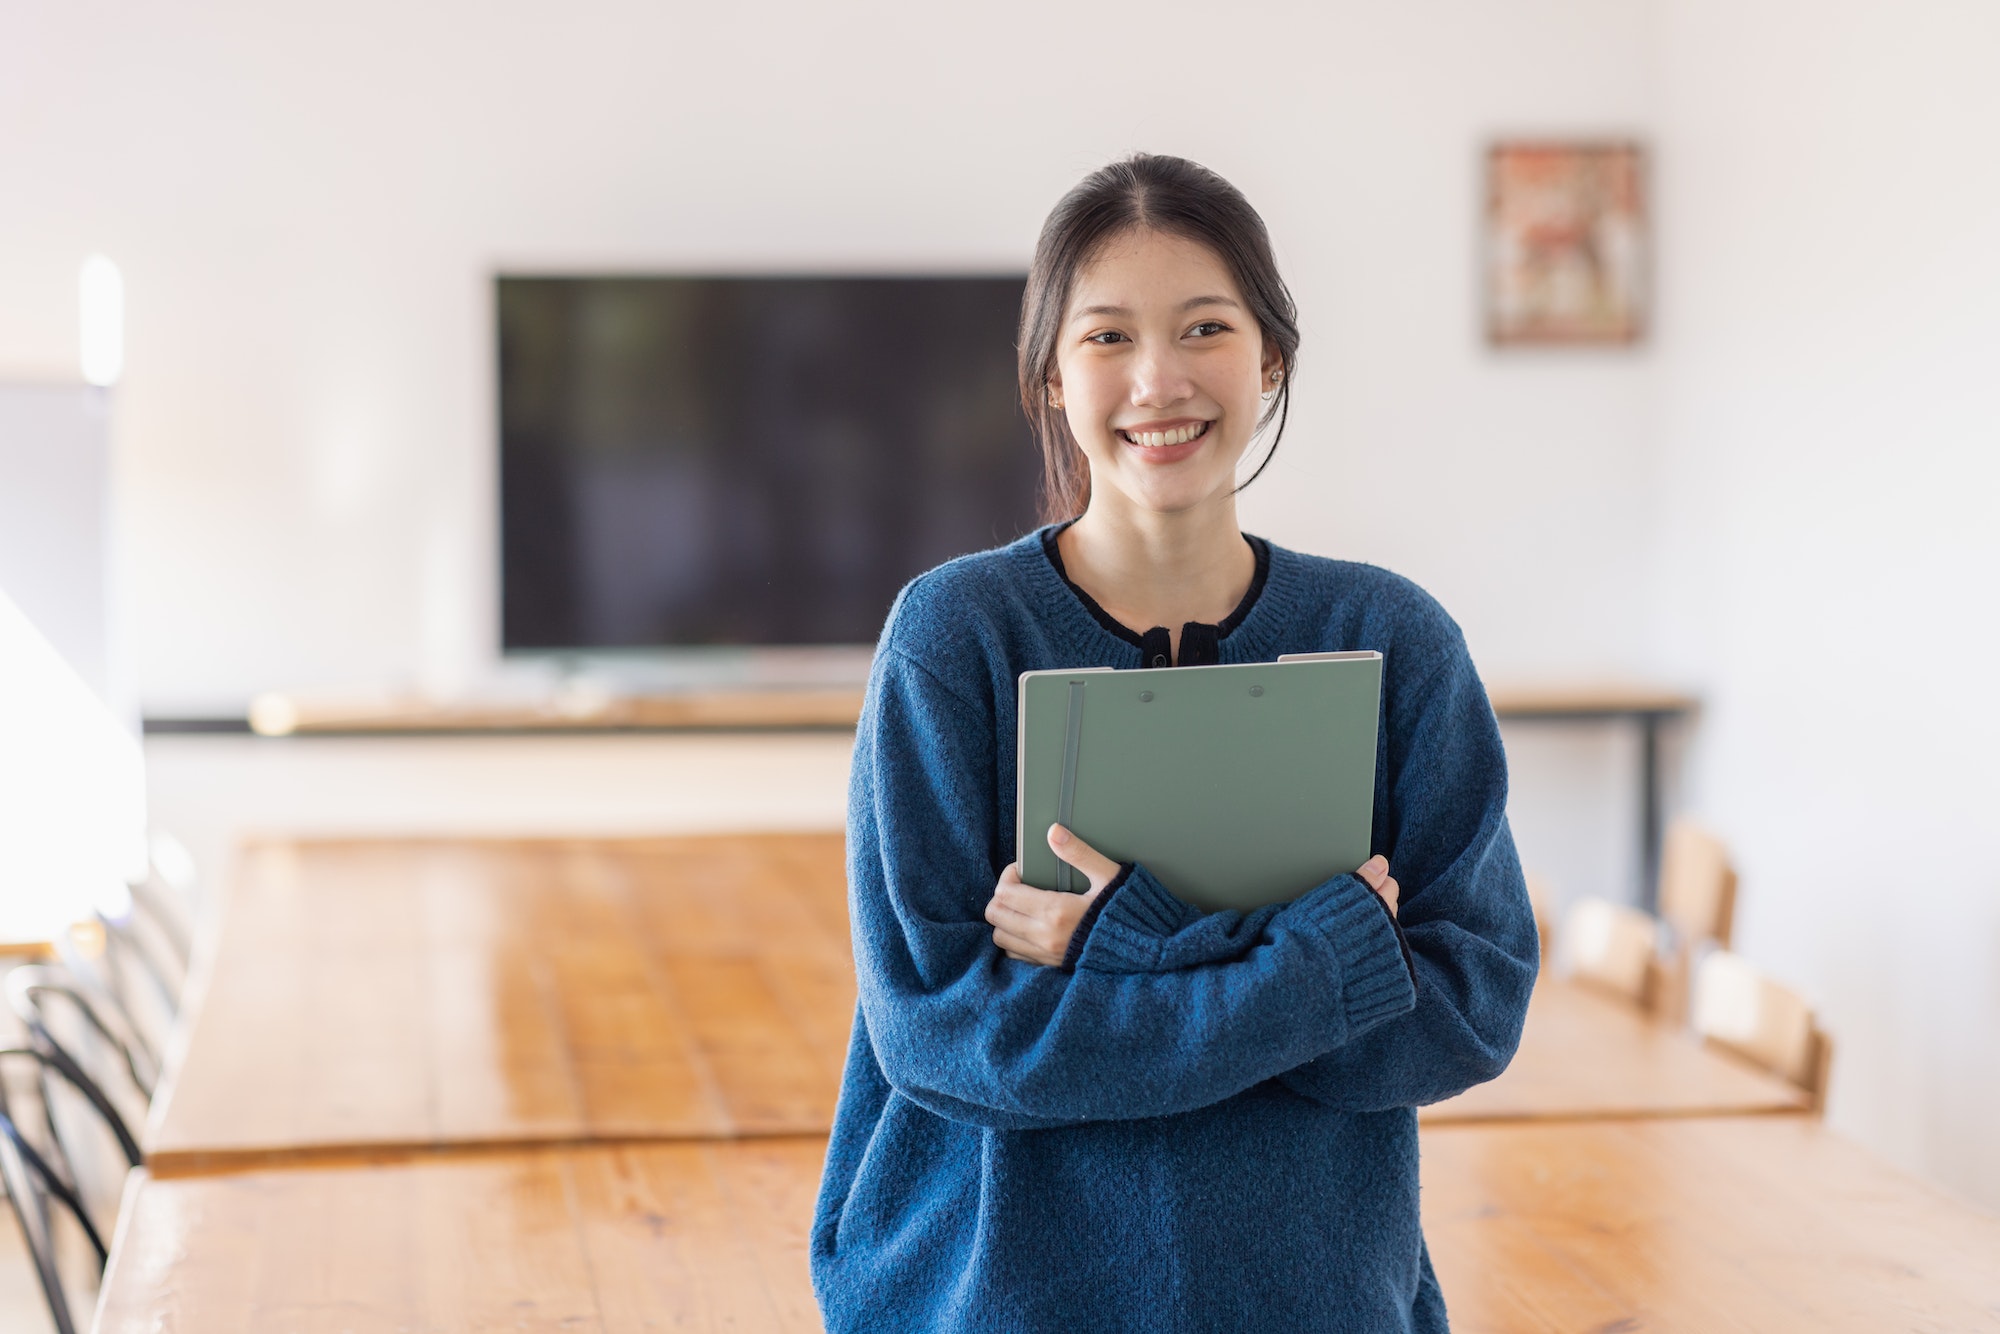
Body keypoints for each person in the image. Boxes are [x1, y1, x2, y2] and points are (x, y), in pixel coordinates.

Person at [810, 153, 1538, 1332]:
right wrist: (1328, 959)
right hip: (993, 1299)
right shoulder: (953, 638)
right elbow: (944, 1032)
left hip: (1312, 1299)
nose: (1158, 379)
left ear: (1269, 357)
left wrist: (1125, 941)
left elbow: (1469, 1004)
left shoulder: (1389, 637)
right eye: (1106, 337)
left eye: (1203, 326)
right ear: (1049, 375)